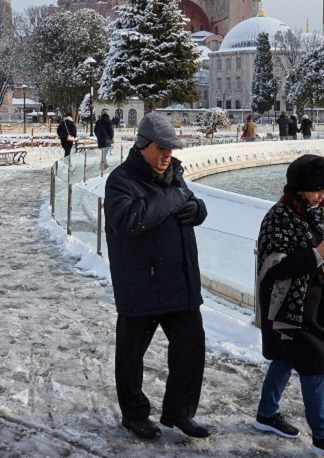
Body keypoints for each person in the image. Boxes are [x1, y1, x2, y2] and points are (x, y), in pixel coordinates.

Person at [104, 113, 209, 441]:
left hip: (178, 281)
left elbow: (190, 203)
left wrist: (198, 210)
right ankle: (134, 414)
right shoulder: (121, 180)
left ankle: (179, 412)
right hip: (140, 284)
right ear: (143, 146)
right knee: (132, 355)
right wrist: (175, 199)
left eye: (171, 148)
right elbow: (127, 221)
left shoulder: (175, 173)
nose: (168, 154)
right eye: (162, 148)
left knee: (191, 347)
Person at [252, 155, 324, 457]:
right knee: (314, 367)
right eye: (318, 189)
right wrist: (318, 253)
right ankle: (322, 436)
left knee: (285, 360)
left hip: (317, 303)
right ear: (299, 188)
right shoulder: (278, 217)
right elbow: (272, 269)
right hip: (289, 307)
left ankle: (266, 415)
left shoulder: (319, 213)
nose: (323, 195)